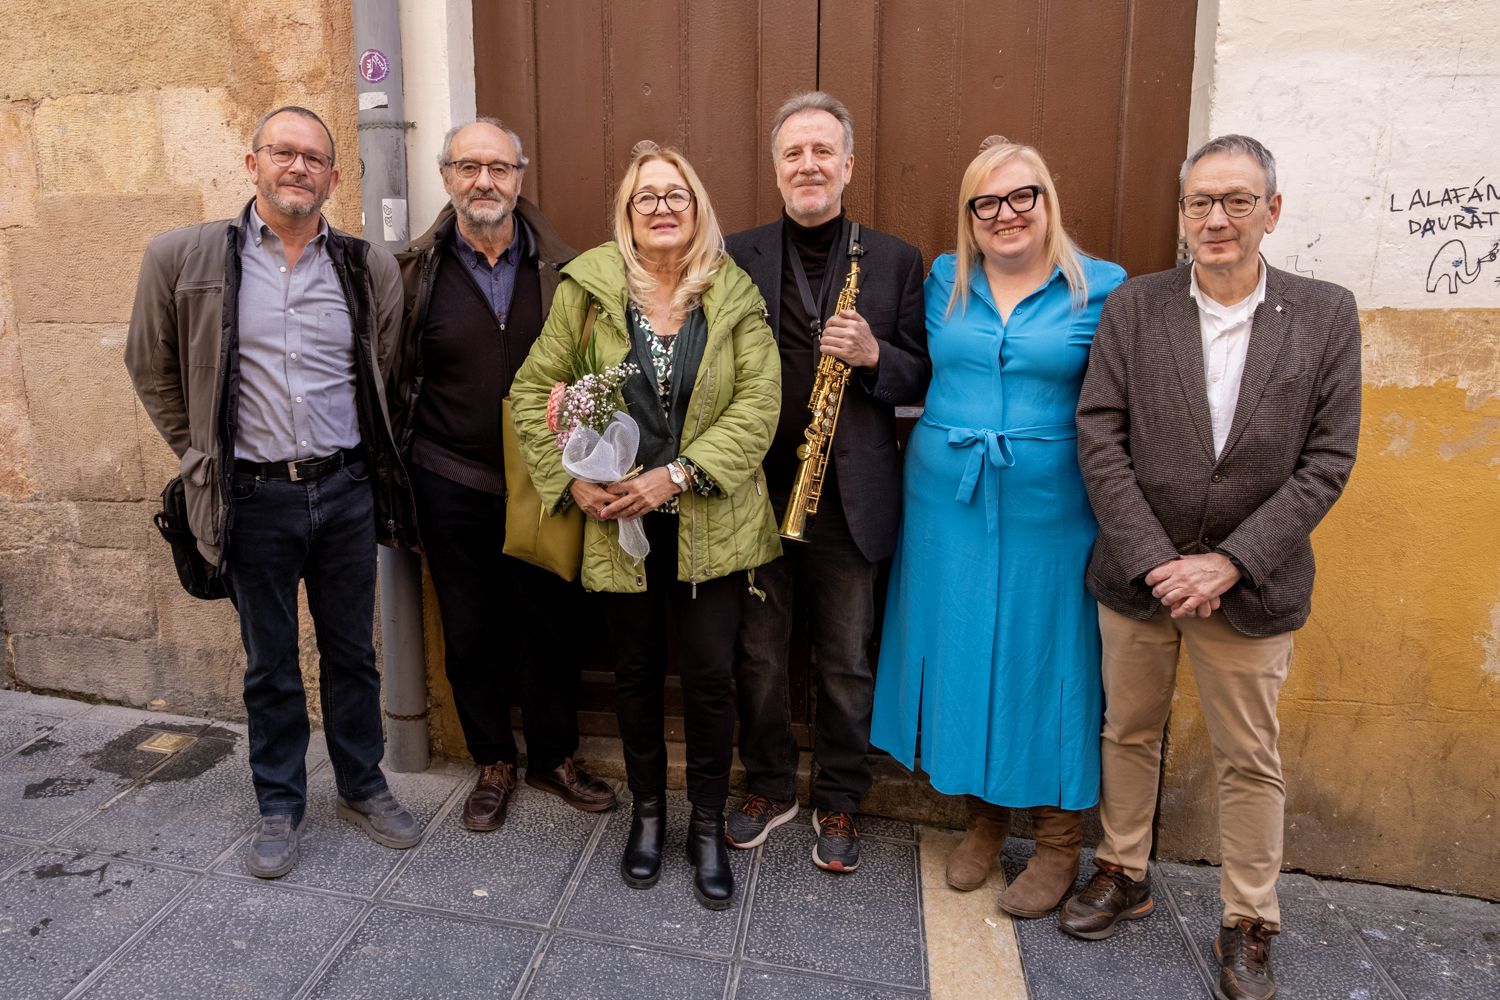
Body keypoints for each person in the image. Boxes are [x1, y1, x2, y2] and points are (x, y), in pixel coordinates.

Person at [1062, 135, 1361, 1000]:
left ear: (1272, 210)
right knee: (1128, 731)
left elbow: (1327, 463)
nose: (1217, 219)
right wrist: (1160, 561)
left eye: (1237, 201)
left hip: (1253, 584)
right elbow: (1101, 437)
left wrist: (1227, 562)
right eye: (1200, 203)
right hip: (1139, 575)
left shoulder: (1325, 313)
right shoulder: (1137, 307)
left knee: (1249, 757)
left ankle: (1250, 918)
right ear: (1182, 214)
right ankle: (1123, 870)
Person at [125, 106, 421, 878]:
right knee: (269, 661)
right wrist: (197, 456)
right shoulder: (182, 257)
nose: (299, 167)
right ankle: (280, 802)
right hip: (251, 497)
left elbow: (381, 367)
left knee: (353, 651)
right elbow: (151, 365)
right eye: (283, 152)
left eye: (315, 157)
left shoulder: (365, 266)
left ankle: (362, 784)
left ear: (332, 176)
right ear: (251, 162)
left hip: (345, 488)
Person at [510, 142, 780, 910]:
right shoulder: (590, 293)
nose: (662, 208)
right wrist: (570, 479)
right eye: (646, 198)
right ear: (627, 216)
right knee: (633, 676)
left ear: (697, 210)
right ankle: (649, 818)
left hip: (711, 520)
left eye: (676, 196)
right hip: (619, 528)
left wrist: (678, 472)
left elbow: (759, 405)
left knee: (709, 679)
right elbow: (534, 389)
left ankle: (705, 825)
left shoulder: (733, 294)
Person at [870, 136, 1125, 916]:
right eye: (988, 203)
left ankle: (1055, 839)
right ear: (969, 217)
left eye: (1023, 197)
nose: (1006, 214)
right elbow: (912, 367)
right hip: (946, 505)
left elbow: (1124, 403)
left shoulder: (1105, 289)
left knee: (1048, 661)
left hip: (1053, 509)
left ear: (1047, 201)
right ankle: (981, 818)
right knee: (963, 652)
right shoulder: (946, 279)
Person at [387, 119, 615, 831]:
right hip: (448, 479)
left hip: (545, 482)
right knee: (469, 630)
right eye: (468, 167)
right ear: (447, 176)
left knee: (551, 625)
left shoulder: (564, 268)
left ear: (520, 177)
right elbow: (391, 383)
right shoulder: (411, 273)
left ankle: (553, 756)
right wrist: (401, 495)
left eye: (499, 168)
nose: (484, 181)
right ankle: (492, 760)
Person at [725, 91, 928, 874]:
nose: (808, 165)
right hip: (756, 494)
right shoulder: (736, 254)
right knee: (760, 655)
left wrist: (879, 357)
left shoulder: (898, 260)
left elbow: (923, 374)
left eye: (822, 151)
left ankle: (841, 797)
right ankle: (770, 785)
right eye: (793, 153)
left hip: (848, 500)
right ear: (776, 169)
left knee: (847, 659)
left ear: (847, 164)